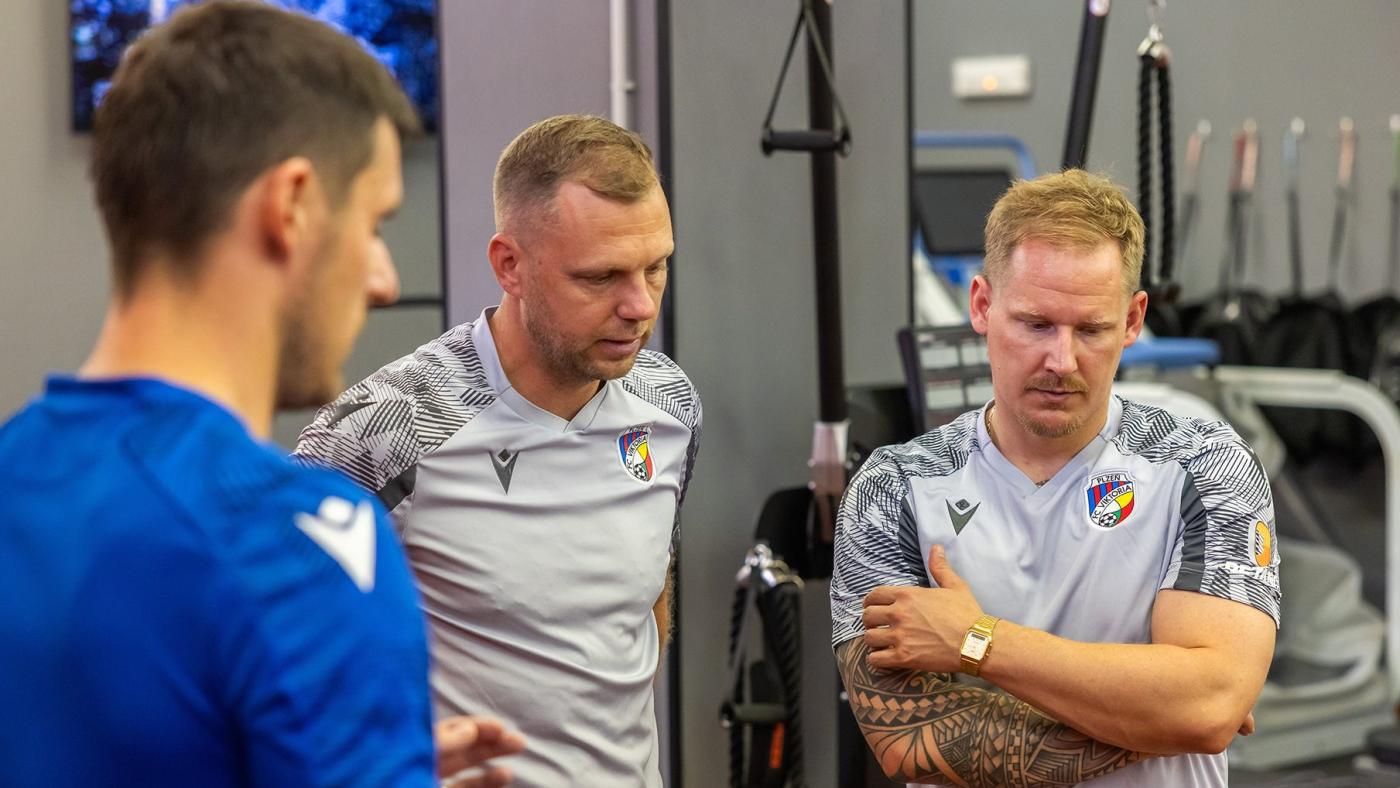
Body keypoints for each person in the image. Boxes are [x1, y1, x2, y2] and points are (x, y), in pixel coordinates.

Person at [0, 3, 522, 786]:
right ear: (293, 206)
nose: (383, 280)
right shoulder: (299, 544)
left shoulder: (16, 471)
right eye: (375, 223)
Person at [830, 170, 1279, 786]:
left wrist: (977, 641)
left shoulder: (1203, 464)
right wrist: (1164, 719)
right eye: (1036, 324)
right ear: (982, 305)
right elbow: (907, 740)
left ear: (1132, 320)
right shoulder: (894, 489)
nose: (1061, 361)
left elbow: (1208, 708)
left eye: (1091, 329)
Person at [294, 114, 701, 786]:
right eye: (600, 277)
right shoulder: (385, 430)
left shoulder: (670, 403)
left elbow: (648, 592)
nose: (639, 305)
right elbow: (276, 657)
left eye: (655, 267)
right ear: (510, 266)